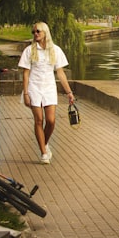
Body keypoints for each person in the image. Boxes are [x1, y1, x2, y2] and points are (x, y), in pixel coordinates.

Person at [18, 21, 74, 164]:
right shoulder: (29, 51)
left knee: (51, 121)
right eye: (34, 32)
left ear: (45, 33)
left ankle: (45, 143)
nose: (35, 34)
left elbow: (60, 73)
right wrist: (25, 93)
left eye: (38, 31)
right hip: (34, 87)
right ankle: (43, 152)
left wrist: (69, 92)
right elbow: (25, 73)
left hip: (49, 87)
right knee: (39, 120)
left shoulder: (55, 50)